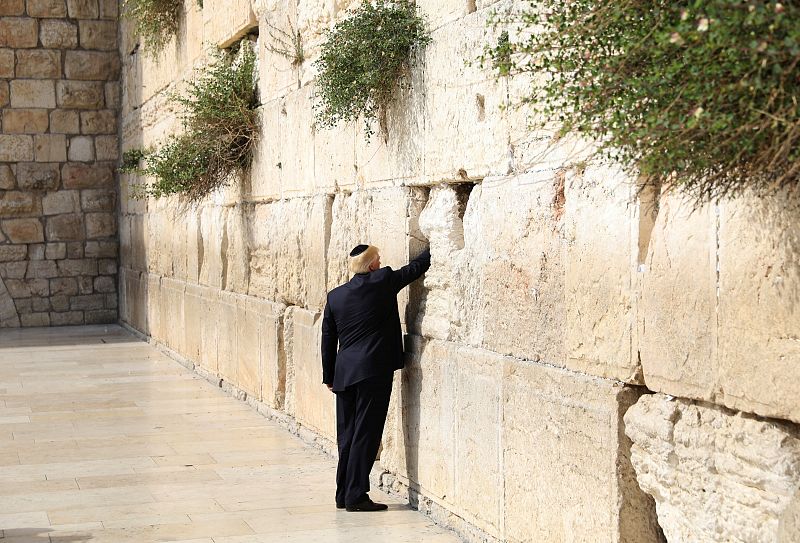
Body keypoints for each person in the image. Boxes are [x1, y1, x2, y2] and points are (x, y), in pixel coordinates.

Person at [321, 243, 431, 512]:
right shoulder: (382, 281)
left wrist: (329, 375)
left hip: (344, 374)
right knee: (365, 435)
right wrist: (433, 247)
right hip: (373, 372)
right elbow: (413, 270)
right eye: (378, 259)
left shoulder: (335, 296)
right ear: (370, 265)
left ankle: (342, 493)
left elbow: (327, 339)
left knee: (346, 436)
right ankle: (356, 496)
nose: (381, 262)